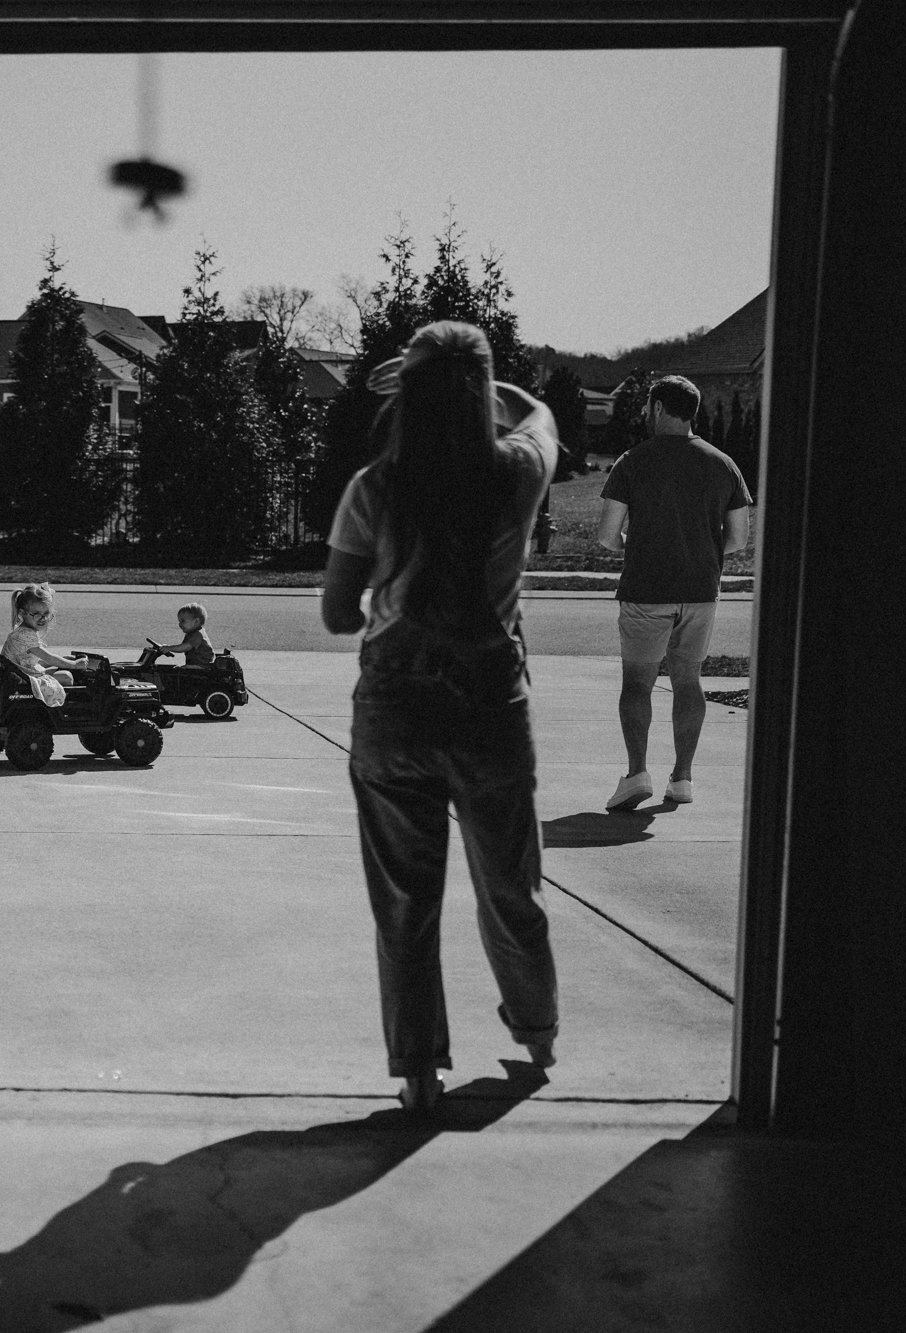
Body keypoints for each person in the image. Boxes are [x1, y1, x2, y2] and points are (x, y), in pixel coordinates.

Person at [321, 320, 561, 1117]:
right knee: (509, 881)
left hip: (395, 709)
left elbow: (336, 615)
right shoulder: (519, 470)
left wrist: (388, 602)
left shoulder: (373, 488)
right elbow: (540, 418)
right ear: (485, 393)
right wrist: (485, 382)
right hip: (491, 703)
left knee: (405, 899)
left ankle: (419, 1069)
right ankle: (536, 1029)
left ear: (409, 396)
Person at [595, 375, 754, 809]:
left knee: (638, 685)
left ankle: (636, 774)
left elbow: (608, 536)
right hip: (701, 591)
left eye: (649, 408)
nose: (647, 415)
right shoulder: (723, 464)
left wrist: (641, 546)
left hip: (647, 591)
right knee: (688, 683)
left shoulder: (632, 461)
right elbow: (739, 539)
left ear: (660, 408)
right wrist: (700, 549)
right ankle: (681, 779)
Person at [3, 582, 91, 708]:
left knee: (57, 668)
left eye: (46, 614)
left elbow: (34, 661)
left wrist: (65, 660)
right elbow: (48, 658)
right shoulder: (25, 635)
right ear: (22, 613)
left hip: (22, 672)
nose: (42, 618)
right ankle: (69, 707)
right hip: (24, 680)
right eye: (36, 614)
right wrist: (75, 665)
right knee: (67, 677)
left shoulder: (23, 631)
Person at [145, 602, 216, 667]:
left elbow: (184, 647)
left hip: (202, 666)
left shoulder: (197, 635)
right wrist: (166, 648)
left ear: (196, 621)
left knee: (179, 671)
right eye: (179, 621)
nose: (180, 624)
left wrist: (169, 648)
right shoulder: (191, 633)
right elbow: (182, 647)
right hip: (196, 664)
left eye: (183, 621)